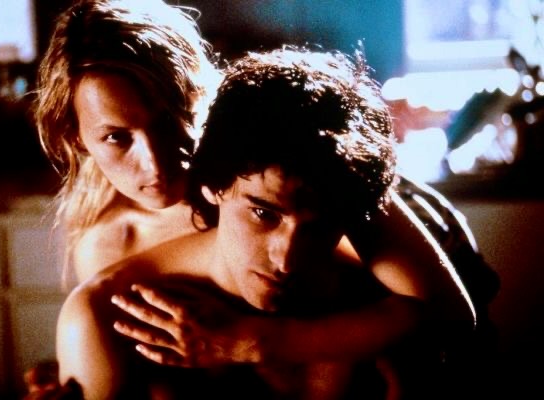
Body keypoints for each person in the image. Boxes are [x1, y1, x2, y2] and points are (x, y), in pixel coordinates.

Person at [56, 47, 480, 400]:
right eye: (264, 213)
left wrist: (253, 342)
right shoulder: (105, 304)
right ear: (213, 183)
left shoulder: (383, 302)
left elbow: (453, 319)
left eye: (320, 226)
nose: (287, 259)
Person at [34, 0, 221, 287]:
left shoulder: (260, 194)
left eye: (167, 121)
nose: (154, 162)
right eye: (116, 137)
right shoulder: (106, 248)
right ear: (77, 139)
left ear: (198, 96)